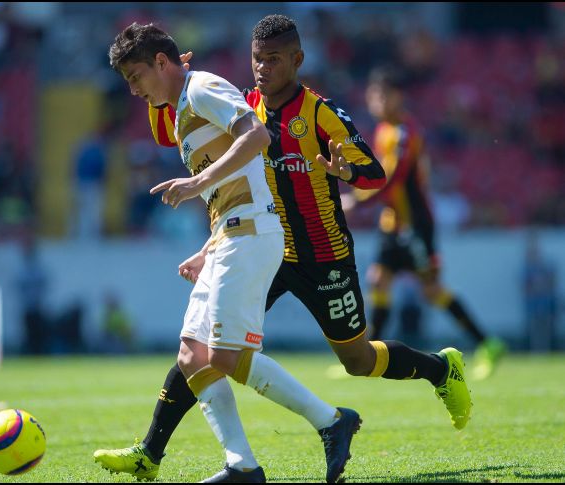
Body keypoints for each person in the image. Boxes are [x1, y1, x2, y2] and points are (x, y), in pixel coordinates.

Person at [94, 15, 471, 482]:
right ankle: (155, 453)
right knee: (202, 346)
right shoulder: (242, 103)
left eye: (272, 60)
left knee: (357, 360)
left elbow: (374, 174)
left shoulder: (318, 113)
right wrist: (210, 245)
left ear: (297, 61)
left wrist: (343, 172)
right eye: (256, 60)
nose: (261, 69)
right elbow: (207, 155)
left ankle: (439, 369)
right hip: (265, 245)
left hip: (322, 252)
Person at [99, 22, 361, 484]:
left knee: (225, 356)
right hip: (230, 234)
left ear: (162, 62)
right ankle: (241, 465)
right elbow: (234, 184)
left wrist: (196, 183)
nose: (134, 89)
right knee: (191, 356)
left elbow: (257, 136)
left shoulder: (200, 88)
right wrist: (208, 245)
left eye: (136, 75)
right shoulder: (183, 109)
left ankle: (333, 421)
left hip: (253, 234)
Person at [339, 66, 506, 381]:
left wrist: (357, 201)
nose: (375, 102)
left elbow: (393, 180)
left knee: (431, 290)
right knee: (378, 280)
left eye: (381, 96)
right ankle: (368, 354)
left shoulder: (405, 133)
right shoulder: (384, 130)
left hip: (415, 224)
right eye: (372, 96)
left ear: (397, 96)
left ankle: (489, 343)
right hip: (393, 222)